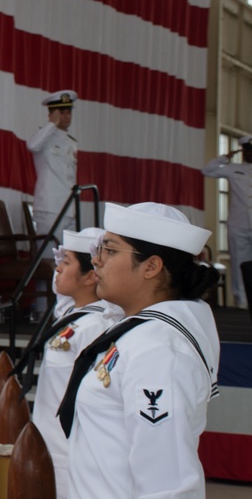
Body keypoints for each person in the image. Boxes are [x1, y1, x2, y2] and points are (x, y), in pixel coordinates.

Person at [57, 202, 220, 499]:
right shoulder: (132, 331)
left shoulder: (158, 350)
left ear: (151, 267)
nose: (96, 261)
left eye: (110, 250)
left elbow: (169, 485)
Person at [29, 227, 121, 499]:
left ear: (91, 276)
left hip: (68, 454)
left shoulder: (95, 327)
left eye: (66, 262)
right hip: (48, 447)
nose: (57, 269)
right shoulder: (72, 316)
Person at [201, 134, 251, 307]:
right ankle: (242, 301)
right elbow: (207, 170)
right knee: (239, 263)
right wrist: (226, 157)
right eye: (248, 150)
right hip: (239, 224)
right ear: (243, 151)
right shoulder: (233, 168)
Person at [26, 90, 79, 245]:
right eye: (61, 112)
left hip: (68, 207)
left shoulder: (71, 142)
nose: (66, 116)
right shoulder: (44, 137)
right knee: (49, 257)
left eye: (68, 112)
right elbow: (32, 145)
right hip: (50, 206)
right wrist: (52, 124)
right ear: (51, 114)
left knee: (68, 258)